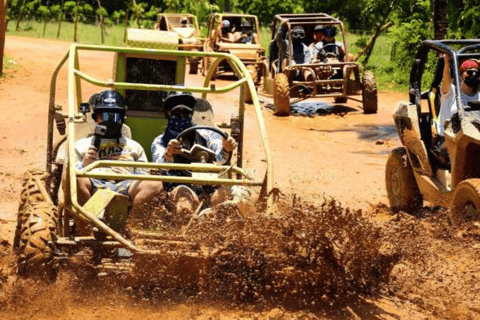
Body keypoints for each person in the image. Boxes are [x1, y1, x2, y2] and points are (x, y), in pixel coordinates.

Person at [73, 90, 164, 230]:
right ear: (95, 118)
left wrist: (126, 175)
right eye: (104, 116)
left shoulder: (134, 146)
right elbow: (67, 179)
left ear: (122, 119)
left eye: (115, 116)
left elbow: (144, 175)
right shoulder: (81, 145)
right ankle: (85, 232)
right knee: (75, 179)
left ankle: (132, 229)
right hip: (93, 183)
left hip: (126, 185)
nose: (110, 121)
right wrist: (84, 165)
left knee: (154, 184)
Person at [151, 92, 238, 217]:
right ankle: (191, 231)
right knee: (184, 204)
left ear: (191, 114)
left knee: (226, 198)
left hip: (208, 187)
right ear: (168, 114)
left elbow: (220, 156)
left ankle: (219, 228)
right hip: (178, 188)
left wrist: (226, 148)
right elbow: (161, 165)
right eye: (176, 113)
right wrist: (169, 154)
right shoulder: (160, 142)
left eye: (185, 113)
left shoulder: (206, 135)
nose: (181, 117)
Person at [438, 56, 480, 137]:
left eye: (477, 73)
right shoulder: (452, 91)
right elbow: (446, 80)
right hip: (450, 139)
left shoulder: (479, 94)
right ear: (461, 76)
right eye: (470, 72)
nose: (474, 75)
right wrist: (447, 63)